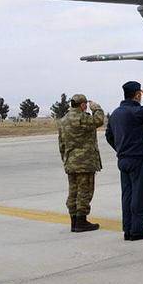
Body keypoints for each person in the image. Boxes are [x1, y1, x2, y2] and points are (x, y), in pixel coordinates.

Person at [106, 81, 143, 241]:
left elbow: (109, 136)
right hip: (137, 158)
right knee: (141, 195)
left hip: (123, 158)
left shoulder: (116, 113)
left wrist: (120, 149)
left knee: (127, 195)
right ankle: (137, 230)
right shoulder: (136, 111)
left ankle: (128, 229)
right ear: (138, 95)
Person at [57, 94, 104, 233]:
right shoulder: (83, 118)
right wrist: (96, 108)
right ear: (83, 105)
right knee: (85, 191)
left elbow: (61, 143)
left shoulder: (63, 120)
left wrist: (66, 159)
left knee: (73, 192)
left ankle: (74, 221)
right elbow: (99, 120)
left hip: (70, 161)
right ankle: (81, 222)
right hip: (85, 162)